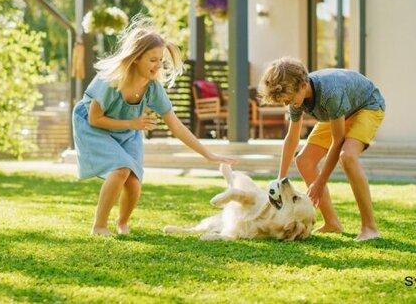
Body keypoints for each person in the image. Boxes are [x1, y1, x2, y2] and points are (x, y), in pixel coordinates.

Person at [72, 19, 238, 236]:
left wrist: (208, 154)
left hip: (126, 130)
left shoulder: (152, 88)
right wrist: (132, 123)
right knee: (121, 169)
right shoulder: (111, 81)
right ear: (135, 58)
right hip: (93, 127)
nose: (157, 65)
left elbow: (176, 126)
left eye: (160, 60)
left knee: (133, 182)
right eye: (152, 60)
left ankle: (122, 224)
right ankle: (99, 226)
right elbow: (95, 119)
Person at [258, 57, 385, 241]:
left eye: (290, 99)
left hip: (367, 106)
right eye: (285, 102)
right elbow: (292, 137)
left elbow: (338, 140)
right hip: (338, 113)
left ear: (303, 85)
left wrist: (320, 182)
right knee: (304, 160)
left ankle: (370, 228)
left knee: (347, 156)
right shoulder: (296, 98)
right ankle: (332, 223)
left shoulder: (330, 92)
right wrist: (281, 180)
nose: (290, 104)